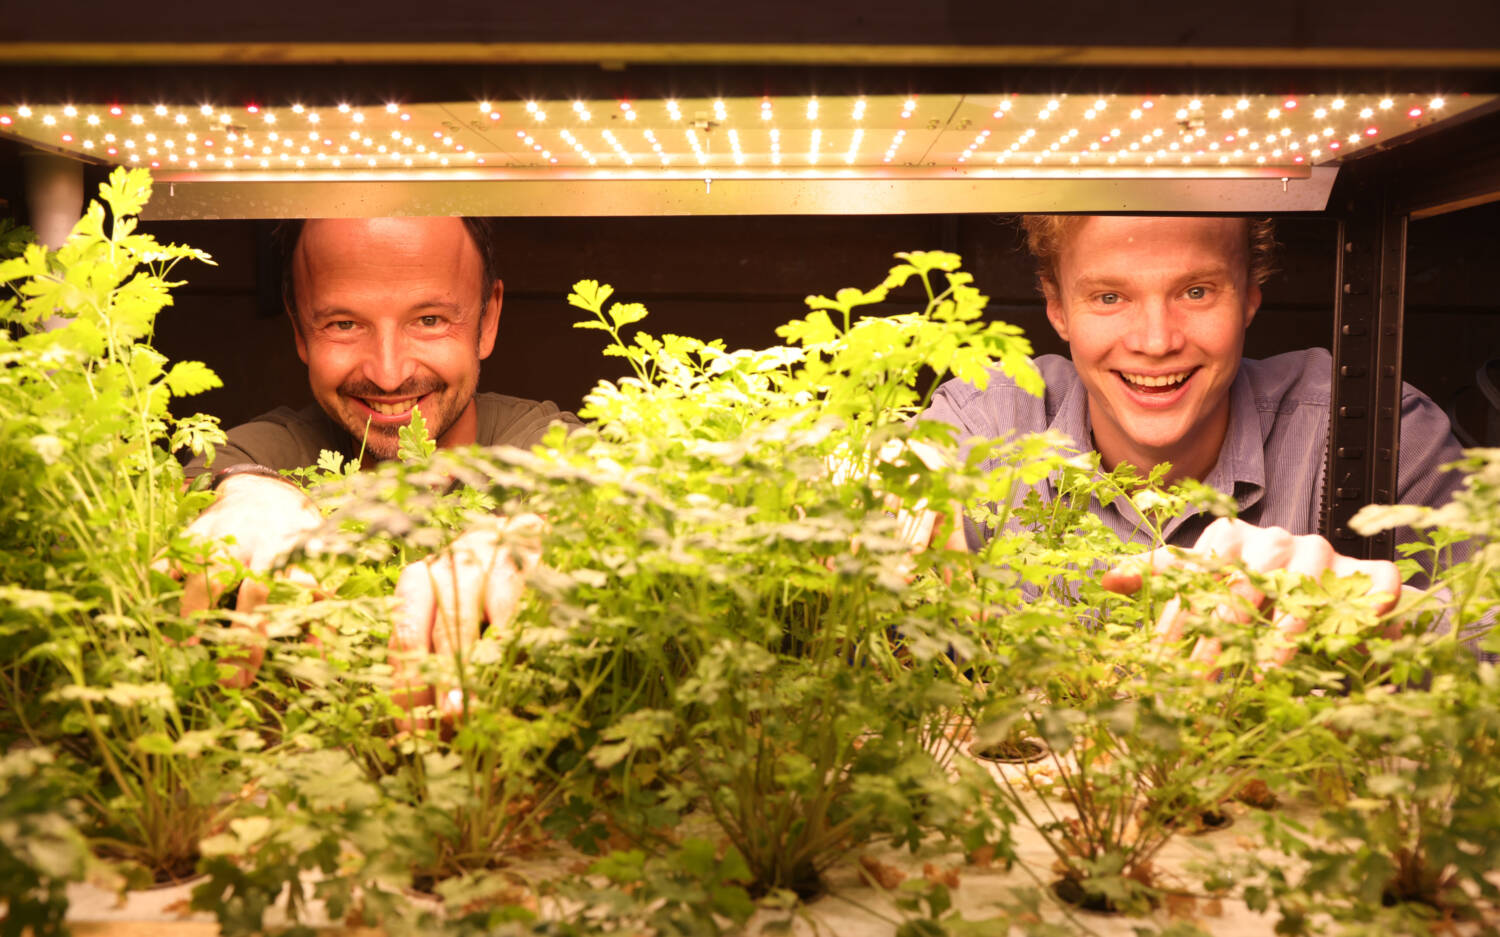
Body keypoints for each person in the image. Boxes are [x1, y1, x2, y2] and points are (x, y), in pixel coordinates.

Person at [920, 215, 1470, 664]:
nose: (1156, 341)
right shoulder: (983, 427)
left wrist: (1373, 611)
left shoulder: (1377, 427)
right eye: (1110, 297)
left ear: (1250, 297)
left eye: (1197, 291)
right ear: (1058, 307)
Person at [175, 217, 580, 688]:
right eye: (343, 324)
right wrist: (251, 495)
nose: (389, 374)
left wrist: (531, 536)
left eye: (430, 320)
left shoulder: (538, 440)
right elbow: (218, 474)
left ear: (487, 320)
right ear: (300, 331)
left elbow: (601, 492)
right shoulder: (270, 447)